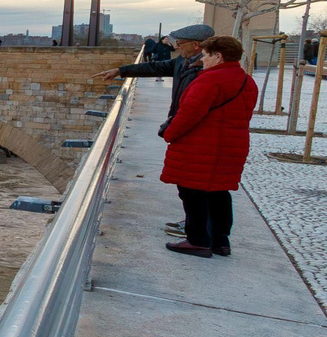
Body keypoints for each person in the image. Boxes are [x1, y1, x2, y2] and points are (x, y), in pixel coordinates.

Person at [94, 23, 214, 238]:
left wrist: (171, 130)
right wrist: (122, 70)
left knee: (196, 185)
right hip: (185, 131)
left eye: (181, 43)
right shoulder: (183, 62)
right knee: (188, 184)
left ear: (196, 45)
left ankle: (201, 231)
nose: (176, 46)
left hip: (197, 134)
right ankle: (196, 224)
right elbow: (155, 67)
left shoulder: (206, 70)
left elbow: (197, 110)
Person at [160, 36, 258, 258]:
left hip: (202, 146)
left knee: (192, 192)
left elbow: (188, 115)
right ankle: (220, 242)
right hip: (231, 146)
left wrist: (169, 134)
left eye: (206, 55)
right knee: (218, 193)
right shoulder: (247, 81)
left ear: (218, 56)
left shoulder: (209, 81)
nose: (203, 60)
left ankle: (198, 241)